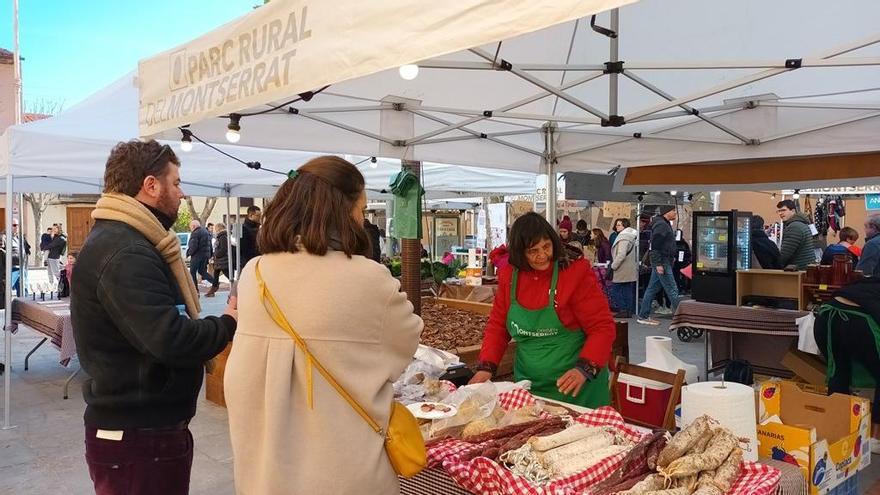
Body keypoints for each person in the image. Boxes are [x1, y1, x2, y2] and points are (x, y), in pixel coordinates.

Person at [224, 156, 422, 494]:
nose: (362, 220)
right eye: (361, 209)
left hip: (265, 474)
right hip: (345, 473)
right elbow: (405, 343)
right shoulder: (368, 279)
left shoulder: (254, 273)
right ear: (343, 211)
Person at [70, 140, 237, 494]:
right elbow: (169, 338)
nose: (180, 192)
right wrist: (226, 323)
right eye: (175, 182)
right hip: (138, 438)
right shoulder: (126, 249)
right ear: (150, 185)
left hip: (142, 434)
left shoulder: (125, 240)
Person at [469, 212, 616, 407]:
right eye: (532, 251)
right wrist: (486, 366)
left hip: (577, 386)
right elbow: (498, 326)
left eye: (546, 246)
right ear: (520, 253)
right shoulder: (510, 276)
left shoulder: (573, 272)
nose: (542, 255)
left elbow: (602, 327)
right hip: (530, 385)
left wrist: (584, 368)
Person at [814, 277, 880, 453]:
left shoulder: (868, 282)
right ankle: (876, 438)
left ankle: (836, 432)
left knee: (839, 371)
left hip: (825, 314)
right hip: (858, 321)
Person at [637, 205, 680, 326]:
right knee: (672, 289)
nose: (675, 213)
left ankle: (643, 315)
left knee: (652, 289)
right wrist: (658, 264)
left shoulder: (663, 224)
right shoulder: (662, 225)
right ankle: (681, 317)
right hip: (663, 261)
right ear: (666, 212)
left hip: (663, 261)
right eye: (673, 211)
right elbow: (655, 246)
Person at [610, 218, 638, 318]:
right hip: (628, 267)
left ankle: (623, 309)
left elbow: (621, 254)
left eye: (619, 225)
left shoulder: (623, 238)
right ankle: (628, 310)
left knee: (615, 290)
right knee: (627, 289)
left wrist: (613, 266)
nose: (617, 226)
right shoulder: (630, 236)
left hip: (622, 268)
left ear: (624, 226)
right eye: (617, 225)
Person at [777, 200, 817, 269]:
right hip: (806, 269)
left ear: (793, 211)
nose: (780, 213)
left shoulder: (794, 227)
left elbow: (785, 254)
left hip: (798, 270)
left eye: (783, 210)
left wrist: (775, 266)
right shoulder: (802, 223)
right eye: (779, 211)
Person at [187, 220, 215, 291]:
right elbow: (210, 245)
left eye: (190, 227)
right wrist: (210, 255)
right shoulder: (206, 232)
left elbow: (193, 245)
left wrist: (189, 253)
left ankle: (195, 290)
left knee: (192, 272)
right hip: (205, 255)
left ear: (193, 226)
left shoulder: (195, 233)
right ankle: (215, 282)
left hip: (197, 255)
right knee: (202, 271)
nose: (191, 228)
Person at [208, 223, 232, 297]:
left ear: (219, 228)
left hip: (222, 260)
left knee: (228, 275)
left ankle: (236, 286)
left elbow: (223, 248)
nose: (215, 230)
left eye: (216, 228)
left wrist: (216, 254)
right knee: (216, 274)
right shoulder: (222, 236)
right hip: (220, 260)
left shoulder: (222, 236)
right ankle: (213, 289)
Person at [239, 205, 262, 270]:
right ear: (251, 215)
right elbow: (243, 248)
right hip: (249, 262)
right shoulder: (243, 229)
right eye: (258, 216)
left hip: (258, 260)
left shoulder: (258, 227)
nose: (260, 218)